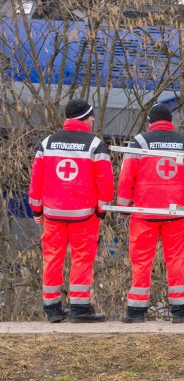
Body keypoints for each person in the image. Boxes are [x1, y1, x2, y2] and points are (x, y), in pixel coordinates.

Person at [28, 98, 114, 323]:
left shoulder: (47, 143)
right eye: (91, 116)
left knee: (52, 258)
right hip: (84, 215)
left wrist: (36, 210)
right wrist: (102, 210)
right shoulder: (95, 144)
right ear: (84, 118)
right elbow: (105, 181)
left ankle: (52, 307)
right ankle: (79, 307)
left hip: (53, 214)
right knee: (82, 258)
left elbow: (36, 180)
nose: (93, 119)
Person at [116, 103, 184, 323]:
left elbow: (127, 177)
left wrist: (124, 207)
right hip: (177, 213)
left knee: (141, 261)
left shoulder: (139, 142)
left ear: (150, 122)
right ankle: (181, 311)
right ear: (170, 122)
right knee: (176, 261)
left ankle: (136, 312)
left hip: (144, 212)